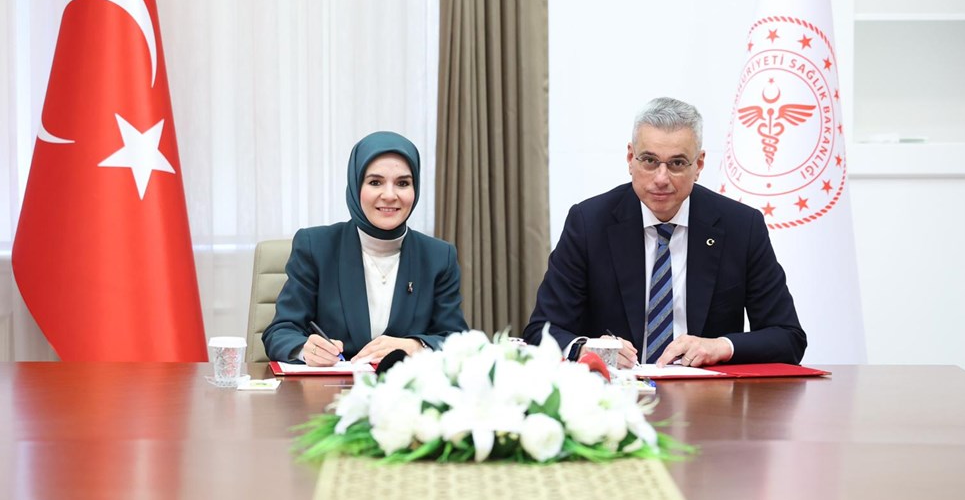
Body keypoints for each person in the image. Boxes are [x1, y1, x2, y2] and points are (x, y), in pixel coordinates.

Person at [523, 97, 805, 367]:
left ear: (699, 165)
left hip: (708, 393)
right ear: (630, 158)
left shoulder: (741, 227)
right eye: (649, 160)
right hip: (616, 392)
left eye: (677, 163)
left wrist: (721, 346)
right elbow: (540, 332)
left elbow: (788, 337)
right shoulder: (589, 224)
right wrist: (586, 349)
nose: (661, 178)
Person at [263, 131, 468, 365]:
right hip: (331, 386)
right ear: (356, 185)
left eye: (402, 183)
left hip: (406, 386)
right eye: (375, 182)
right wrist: (304, 349)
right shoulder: (316, 246)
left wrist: (416, 346)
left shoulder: (439, 257)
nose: (389, 195)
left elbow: (457, 341)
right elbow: (280, 332)